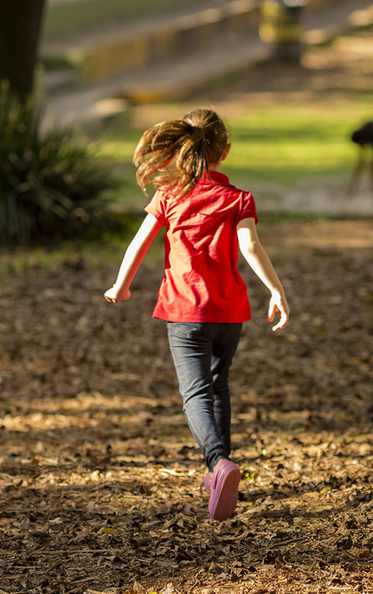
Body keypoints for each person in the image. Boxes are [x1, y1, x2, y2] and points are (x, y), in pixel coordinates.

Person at [104, 108, 290, 521]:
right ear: (225, 151)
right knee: (218, 387)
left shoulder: (169, 196)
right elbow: (251, 247)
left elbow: (138, 245)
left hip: (186, 311)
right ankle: (218, 473)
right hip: (229, 313)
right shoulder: (238, 198)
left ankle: (219, 463)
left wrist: (122, 284)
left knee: (195, 395)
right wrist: (275, 289)